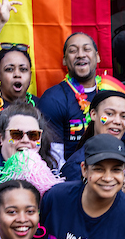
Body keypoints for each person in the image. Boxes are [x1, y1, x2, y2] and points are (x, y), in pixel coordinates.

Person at [0, 101, 57, 235]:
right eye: (16, 134)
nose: (26, 140)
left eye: (33, 135)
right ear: (2, 138)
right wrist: (16, 183)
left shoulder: (46, 165)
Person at [36, 32, 114, 162]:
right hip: (73, 176)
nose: (81, 55)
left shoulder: (112, 93)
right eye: (73, 51)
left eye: (87, 49)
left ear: (98, 57)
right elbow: (54, 159)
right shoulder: (53, 99)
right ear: (64, 60)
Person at [59, 91, 125, 185]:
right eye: (110, 114)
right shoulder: (75, 165)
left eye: (124, 116)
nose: (118, 121)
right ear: (93, 114)